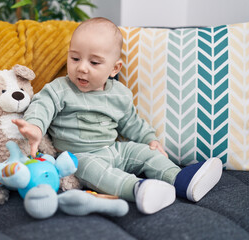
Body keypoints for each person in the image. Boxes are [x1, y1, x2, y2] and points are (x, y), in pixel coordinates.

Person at [12, 17, 222, 214]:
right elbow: (43, 105)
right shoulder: (60, 89)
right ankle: (139, 189)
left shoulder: (119, 94)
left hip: (115, 150)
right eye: (75, 58)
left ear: (114, 69)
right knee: (99, 173)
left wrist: (150, 139)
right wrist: (35, 127)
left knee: (146, 154)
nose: (82, 68)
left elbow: (132, 122)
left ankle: (180, 180)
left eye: (94, 63)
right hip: (80, 157)